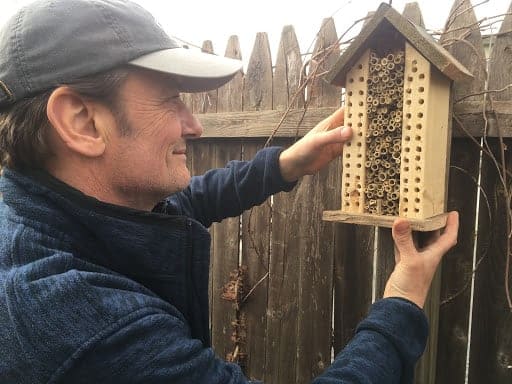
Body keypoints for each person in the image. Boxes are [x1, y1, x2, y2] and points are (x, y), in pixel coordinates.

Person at [0, 0, 458, 383]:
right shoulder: (86, 326)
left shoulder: (49, 215)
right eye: (170, 99)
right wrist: (402, 302)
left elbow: (188, 202)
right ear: (81, 122)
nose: (194, 124)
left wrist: (284, 164)